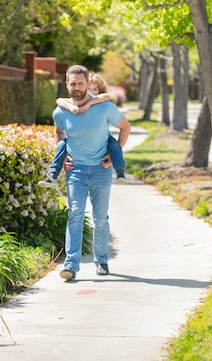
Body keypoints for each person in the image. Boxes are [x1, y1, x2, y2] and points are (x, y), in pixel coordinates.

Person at [52, 65, 131, 281]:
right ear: (67, 84)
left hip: (101, 170)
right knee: (75, 214)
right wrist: (64, 155)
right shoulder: (61, 111)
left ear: (88, 83)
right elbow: (59, 132)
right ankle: (71, 265)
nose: (76, 87)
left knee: (100, 218)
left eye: (80, 83)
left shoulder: (104, 107)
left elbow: (125, 127)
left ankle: (101, 260)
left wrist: (113, 156)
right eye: (72, 83)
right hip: (75, 171)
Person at [38, 73, 127, 187]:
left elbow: (106, 96)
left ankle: (120, 171)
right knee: (61, 145)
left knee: (115, 146)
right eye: (89, 88)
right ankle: (53, 175)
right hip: (76, 148)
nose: (91, 91)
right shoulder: (73, 103)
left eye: (95, 89)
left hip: (105, 140)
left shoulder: (101, 102)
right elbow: (59, 100)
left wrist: (90, 103)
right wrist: (71, 108)